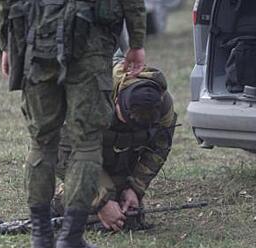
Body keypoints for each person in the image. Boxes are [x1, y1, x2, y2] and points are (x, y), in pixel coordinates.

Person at [0, 0, 147, 248]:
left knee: (41, 143)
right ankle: (71, 240)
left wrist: (7, 45)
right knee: (86, 145)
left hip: (37, 41)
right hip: (90, 47)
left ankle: (41, 240)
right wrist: (136, 43)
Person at [54, 49, 177, 232]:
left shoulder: (162, 103)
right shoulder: (90, 95)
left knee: (127, 217)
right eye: (126, 120)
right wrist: (101, 202)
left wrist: (135, 187)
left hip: (121, 158)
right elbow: (62, 154)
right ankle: (62, 201)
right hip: (85, 156)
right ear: (117, 100)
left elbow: (159, 148)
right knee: (93, 204)